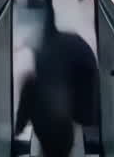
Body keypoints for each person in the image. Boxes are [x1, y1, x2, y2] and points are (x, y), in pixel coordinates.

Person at [15, 14, 100, 157]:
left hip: (54, 117)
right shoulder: (72, 47)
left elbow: (29, 88)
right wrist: (87, 117)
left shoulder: (44, 56)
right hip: (64, 116)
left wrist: (19, 126)